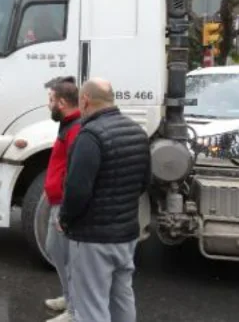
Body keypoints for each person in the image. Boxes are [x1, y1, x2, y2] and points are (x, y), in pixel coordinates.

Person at [59, 78, 151, 322]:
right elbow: (144, 182)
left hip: (92, 238)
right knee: (122, 296)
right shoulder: (137, 132)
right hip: (126, 235)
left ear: (85, 101)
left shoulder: (90, 136)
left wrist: (65, 219)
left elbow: (77, 190)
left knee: (91, 307)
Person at [42, 76, 81, 322]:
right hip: (57, 201)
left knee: (69, 258)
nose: (48, 105)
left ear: (62, 102)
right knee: (55, 250)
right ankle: (68, 298)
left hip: (64, 205)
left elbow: (76, 172)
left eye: (51, 100)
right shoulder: (67, 124)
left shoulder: (75, 128)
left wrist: (65, 208)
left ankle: (75, 311)